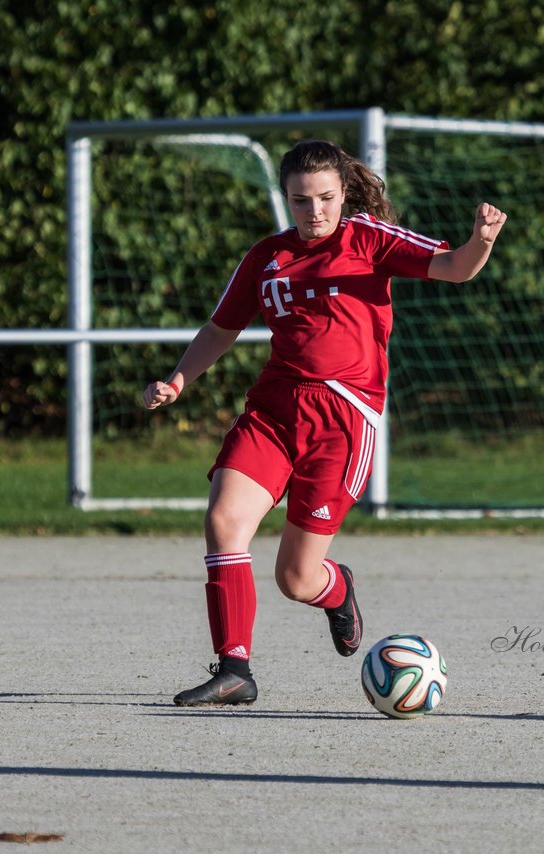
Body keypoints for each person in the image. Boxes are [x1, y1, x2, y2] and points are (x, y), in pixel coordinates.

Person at [142, 139, 507, 706]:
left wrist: (479, 242)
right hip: (273, 409)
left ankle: (337, 592)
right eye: (300, 200)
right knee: (223, 519)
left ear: (343, 193)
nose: (315, 212)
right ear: (285, 198)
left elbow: (454, 268)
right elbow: (220, 330)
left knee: (296, 579)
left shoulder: (369, 239)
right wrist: (179, 379)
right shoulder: (266, 257)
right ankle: (234, 668)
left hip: (342, 422)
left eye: (326, 198)